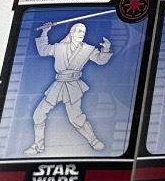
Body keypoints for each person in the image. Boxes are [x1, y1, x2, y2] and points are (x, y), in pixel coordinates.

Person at [27, 20, 112, 153]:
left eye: (83, 32)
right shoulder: (59, 47)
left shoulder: (88, 49)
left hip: (73, 86)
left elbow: (100, 60)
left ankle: (93, 140)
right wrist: (45, 32)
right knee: (38, 114)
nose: (81, 34)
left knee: (75, 118)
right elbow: (43, 51)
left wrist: (106, 49)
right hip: (58, 85)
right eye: (79, 31)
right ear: (72, 33)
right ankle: (38, 145)